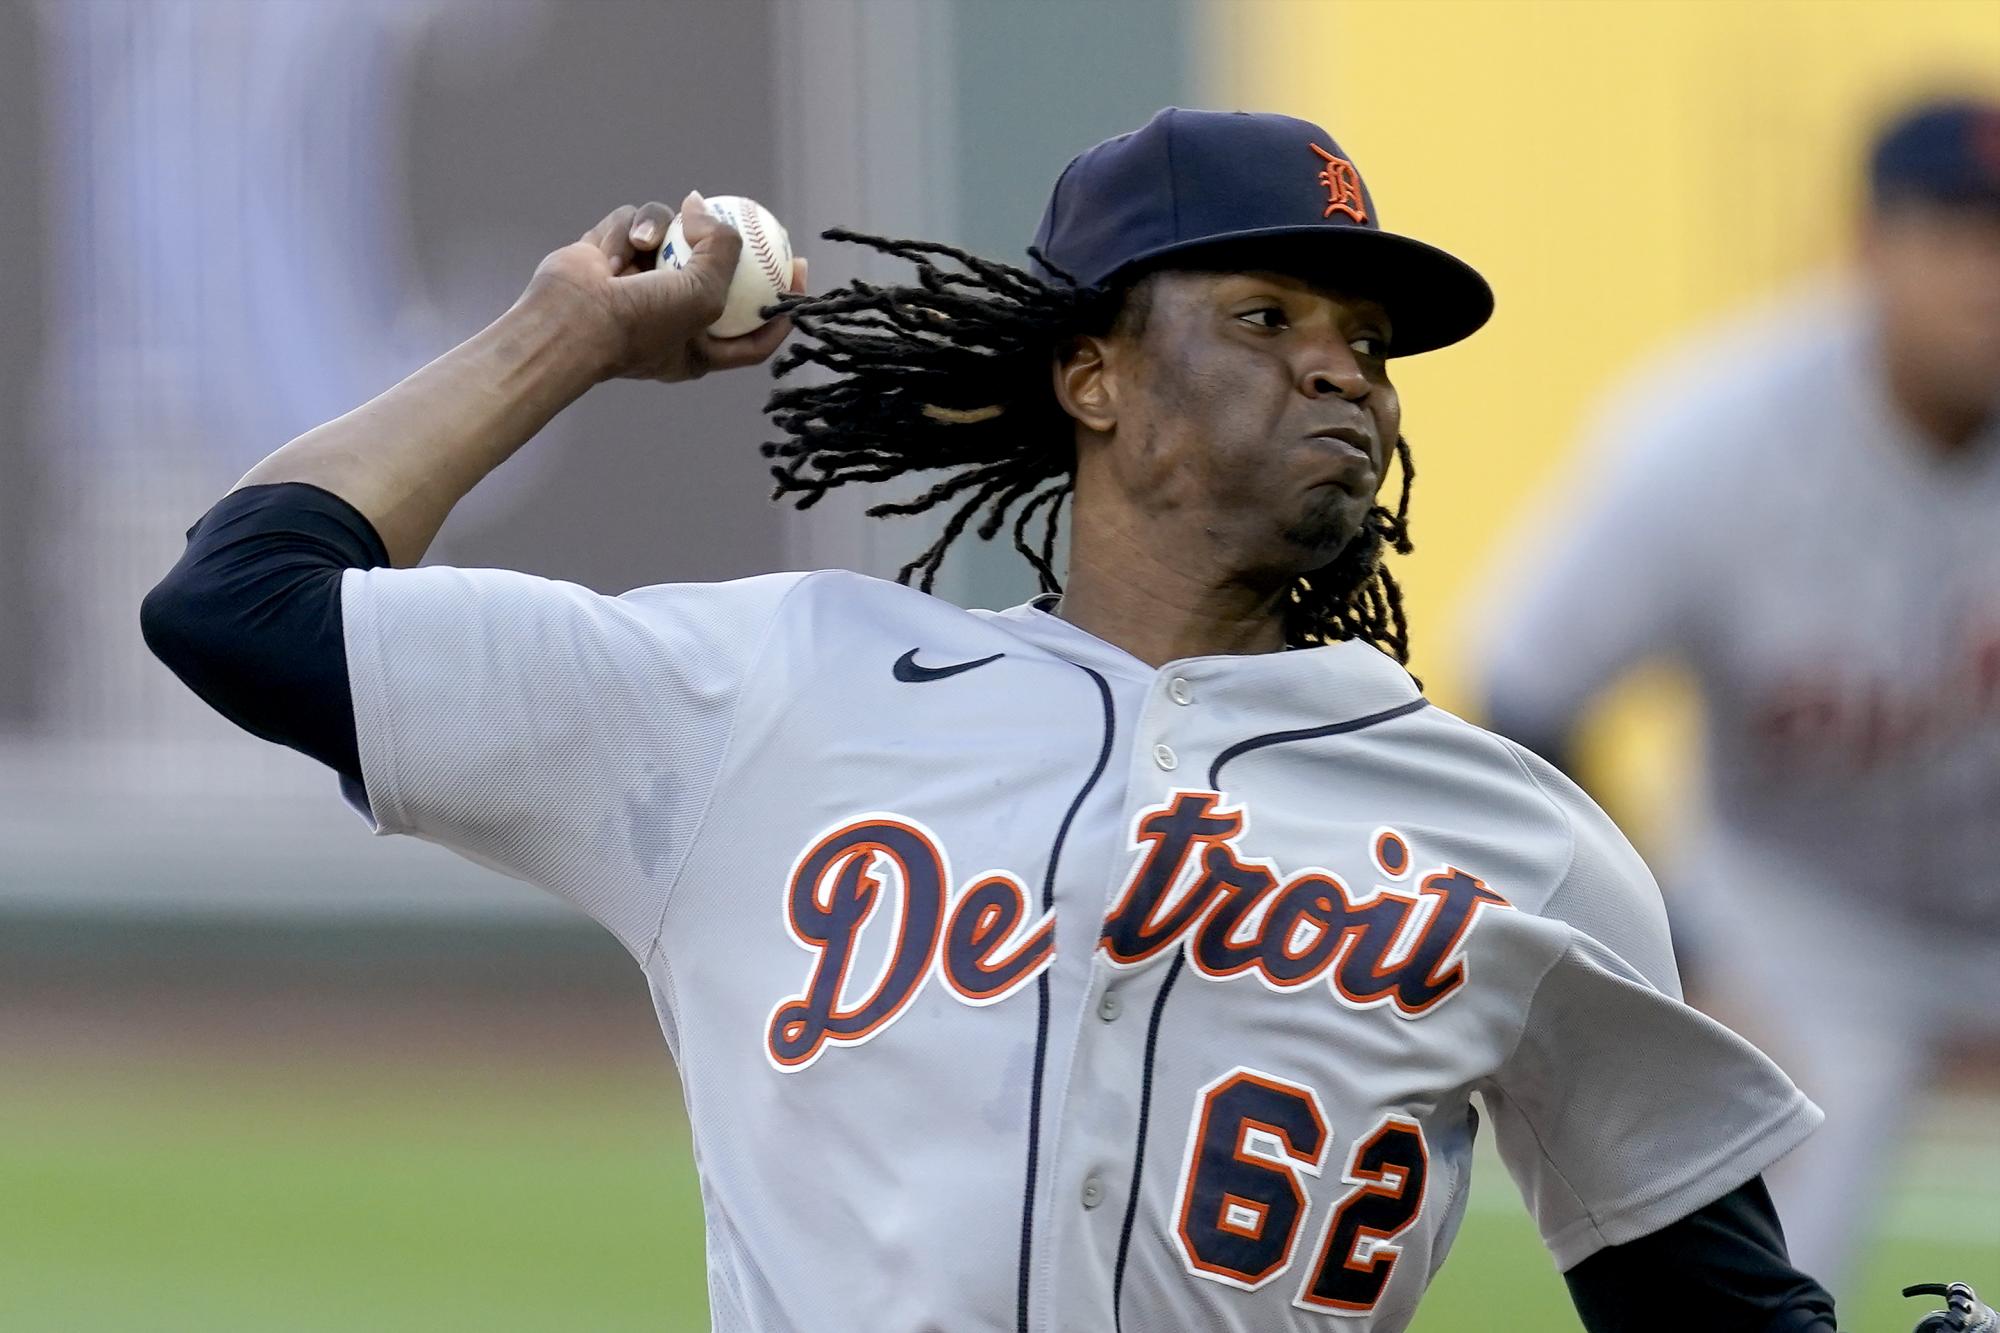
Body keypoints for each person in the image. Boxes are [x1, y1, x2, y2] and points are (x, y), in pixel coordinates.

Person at [145, 108, 1839, 1332]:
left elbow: (1706, 1302)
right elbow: (243, 604)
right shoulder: (772, 693)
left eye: (1370, 344)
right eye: (1268, 318)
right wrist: (565, 333)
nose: (1344, 373)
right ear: (1091, 376)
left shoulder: (1516, 838)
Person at [1478, 97, 2000, 1298]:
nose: (1989, 278)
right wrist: (1674, 958)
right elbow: (1522, 692)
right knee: (1747, 1283)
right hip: (1802, 922)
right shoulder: (1711, 435)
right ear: (1867, 247)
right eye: (1956, 237)